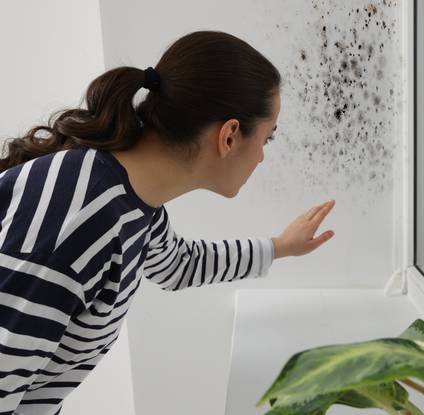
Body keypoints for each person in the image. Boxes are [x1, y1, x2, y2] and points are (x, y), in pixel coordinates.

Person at [0, 31, 335, 415]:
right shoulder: (78, 219)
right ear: (229, 136)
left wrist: (279, 247)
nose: (261, 156)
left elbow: (178, 265)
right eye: (267, 138)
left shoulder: (133, 204)